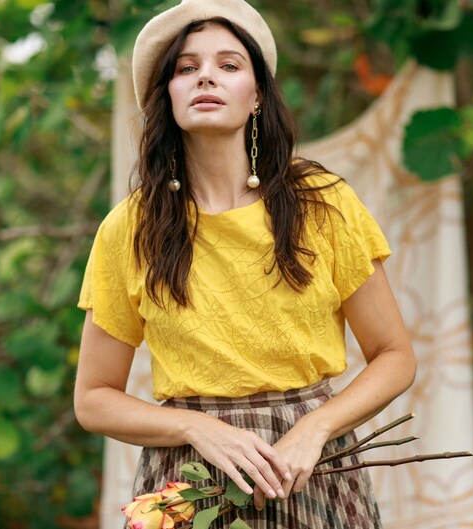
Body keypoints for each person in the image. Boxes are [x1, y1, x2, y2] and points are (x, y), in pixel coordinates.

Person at [73, 0, 416, 527]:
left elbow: (394, 355)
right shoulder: (129, 229)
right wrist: (195, 429)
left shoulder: (322, 203)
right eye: (186, 68)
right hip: (190, 483)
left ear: (256, 95)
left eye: (228, 65)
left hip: (310, 471)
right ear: (168, 94)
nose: (205, 76)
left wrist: (316, 428)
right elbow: (93, 398)